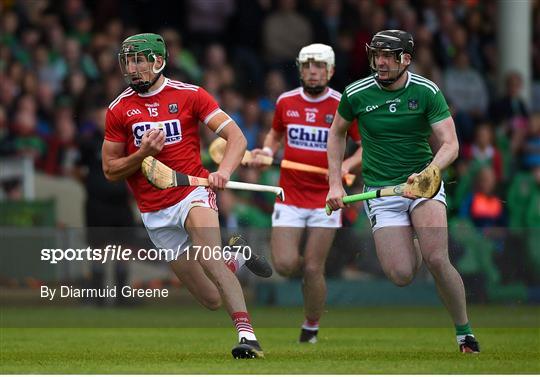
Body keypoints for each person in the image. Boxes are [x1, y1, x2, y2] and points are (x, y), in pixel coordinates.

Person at [101, 33, 272, 359]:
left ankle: (248, 338)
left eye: (139, 60)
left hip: (191, 192)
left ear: (159, 61)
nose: (133, 68)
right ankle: (236, 255)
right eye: (128, 61)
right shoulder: (119, 109)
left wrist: (223, 171)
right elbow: (110, 170)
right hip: (153, 211)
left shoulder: (191, 95)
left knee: (209, 256)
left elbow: (235, 137)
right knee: (210, 299)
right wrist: (141, 155)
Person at [326, 30, 480, 353]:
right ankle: (415, 237)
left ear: (406, 60)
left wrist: (429, 173)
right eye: (376, 55)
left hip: (422, 185)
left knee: (438, 259)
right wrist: (335, 183)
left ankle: (464, 333)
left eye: (388, 57)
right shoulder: (356, 93)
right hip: (381, 193)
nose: (379, 63)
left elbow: (451, 144)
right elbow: (337, 133)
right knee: (401, 274)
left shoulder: (426, 91)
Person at [249, 43, 362, 343]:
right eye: (308, 66)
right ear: (300, 69)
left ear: (331, 71)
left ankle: (311, 326)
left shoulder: (342, 104)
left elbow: (365, 146)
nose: (313, 72)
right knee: (285, 265)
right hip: (290, 194)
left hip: (326, 198)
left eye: (319, 67)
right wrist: (265, 151)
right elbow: (275, 134)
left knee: (313, 267)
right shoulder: (286, 101)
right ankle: (312, 279)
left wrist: (344, 166)